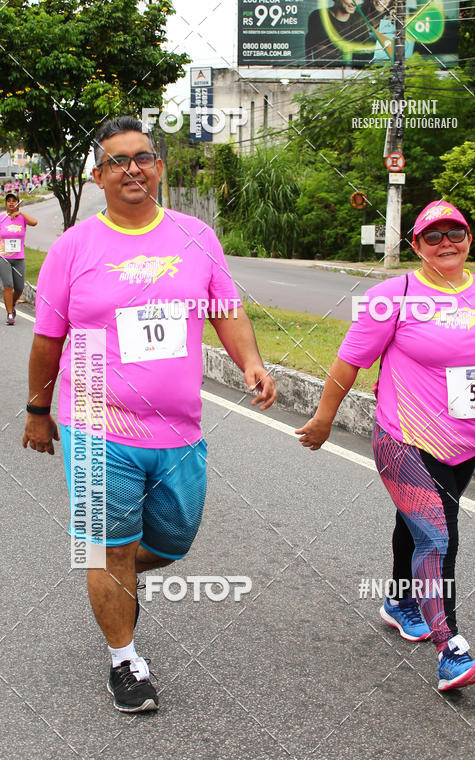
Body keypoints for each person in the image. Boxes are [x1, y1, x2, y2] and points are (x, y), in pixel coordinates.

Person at [22, 116, 277, 713]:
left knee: (173, 539)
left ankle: (114, 572)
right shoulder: (73, 247)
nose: (131, 168)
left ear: (159, 166)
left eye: (142, 157)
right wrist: (38, 409)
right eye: (117, 160)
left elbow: (227, 309)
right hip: (95, 417)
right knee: (109, 547)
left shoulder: (195, 236)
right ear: (98, 175)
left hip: (178, 426)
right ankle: (124, 658)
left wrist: (252, 361)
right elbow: (47, 340)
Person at [296, 200, 475, 691]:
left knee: (421, 523)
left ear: (470, 240)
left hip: (466, 442)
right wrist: (323, 419)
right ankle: (450, 649)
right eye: (433, 236)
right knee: (439, 536)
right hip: (403, 438)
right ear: (416, 246)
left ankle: (401, 601)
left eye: (456, 233)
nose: (446, 242)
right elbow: (349, 362)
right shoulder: (394, 294)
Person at [0, 191, 37, 325]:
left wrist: (20, 213)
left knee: (19, 287)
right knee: (8, 285)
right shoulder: (2, 218)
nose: (11, 203)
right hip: (3, 257)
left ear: (18, 204)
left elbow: (34, 222)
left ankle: (12, 303)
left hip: (19, 258)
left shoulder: (22, 218)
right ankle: (10, 314)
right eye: (8, 201)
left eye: (13, 201)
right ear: (6, 204)